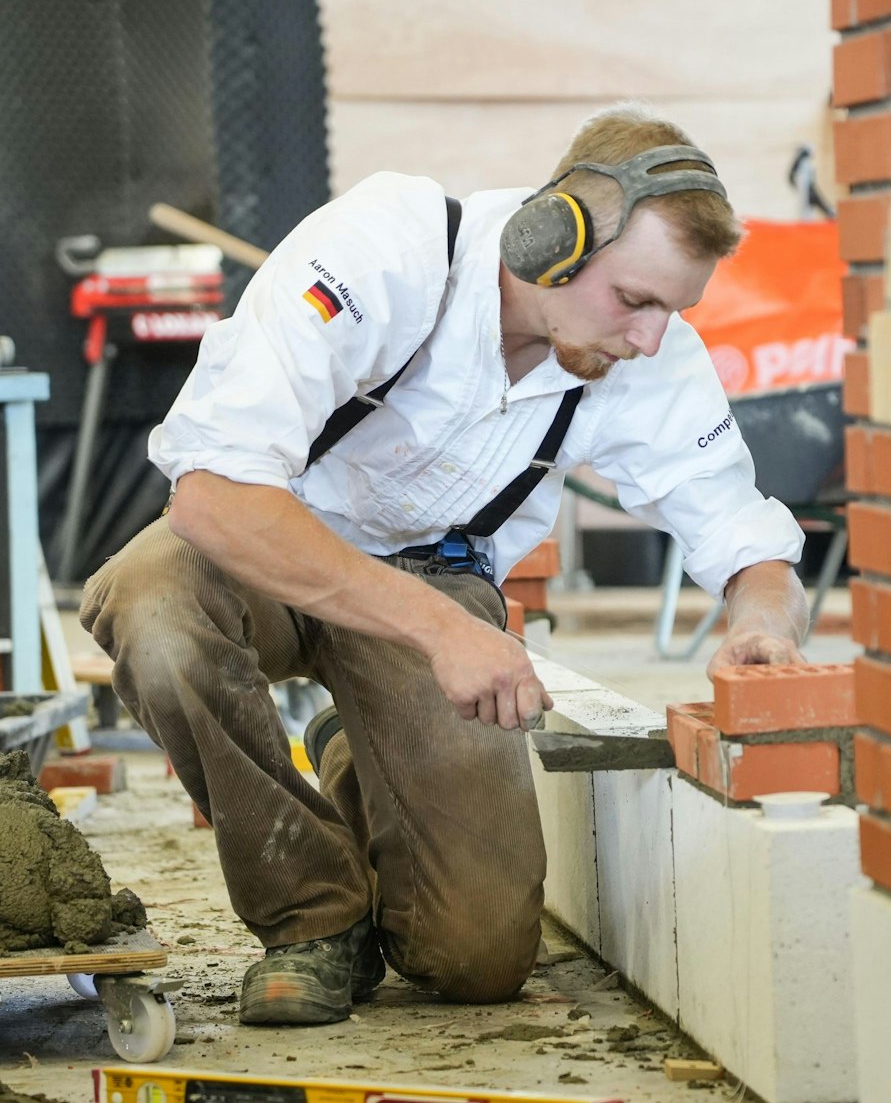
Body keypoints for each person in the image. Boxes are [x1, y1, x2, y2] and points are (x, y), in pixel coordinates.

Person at [81, 103, 811, 1027]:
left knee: (474, 958)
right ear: (553, 236)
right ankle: (311, 918)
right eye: (636, 301)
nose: (652, 338)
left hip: (438, 573)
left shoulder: (642, 355)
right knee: (154, 606)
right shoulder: (385, 251)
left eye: (675, 308)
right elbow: (215, 496)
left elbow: (747, 536)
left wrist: (761, 621)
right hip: (270, 550)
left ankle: (361, 754)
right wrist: (441, 632)